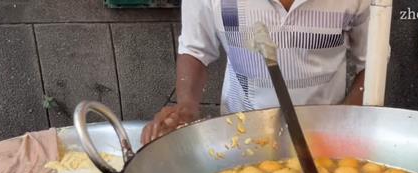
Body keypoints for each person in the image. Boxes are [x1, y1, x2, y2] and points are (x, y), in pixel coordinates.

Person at [142, 0, 370, 144]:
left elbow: (372, 64)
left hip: (325, 136)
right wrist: (186, 106)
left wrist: (343, 123)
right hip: (240, 134)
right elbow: (195, 50)